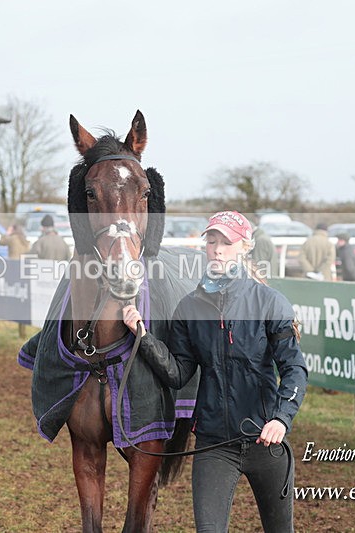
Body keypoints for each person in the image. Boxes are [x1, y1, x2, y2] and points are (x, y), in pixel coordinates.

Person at [122, 210, 307, 532]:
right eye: (212, 241)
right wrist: (143, 336)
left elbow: (294, 368)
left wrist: (281, 417)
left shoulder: (269, 302)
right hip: (214, 446)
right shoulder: (189, 308)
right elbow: (179, 374)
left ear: (244, 247)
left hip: (266, 442)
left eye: (227, 242)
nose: (218, 249)